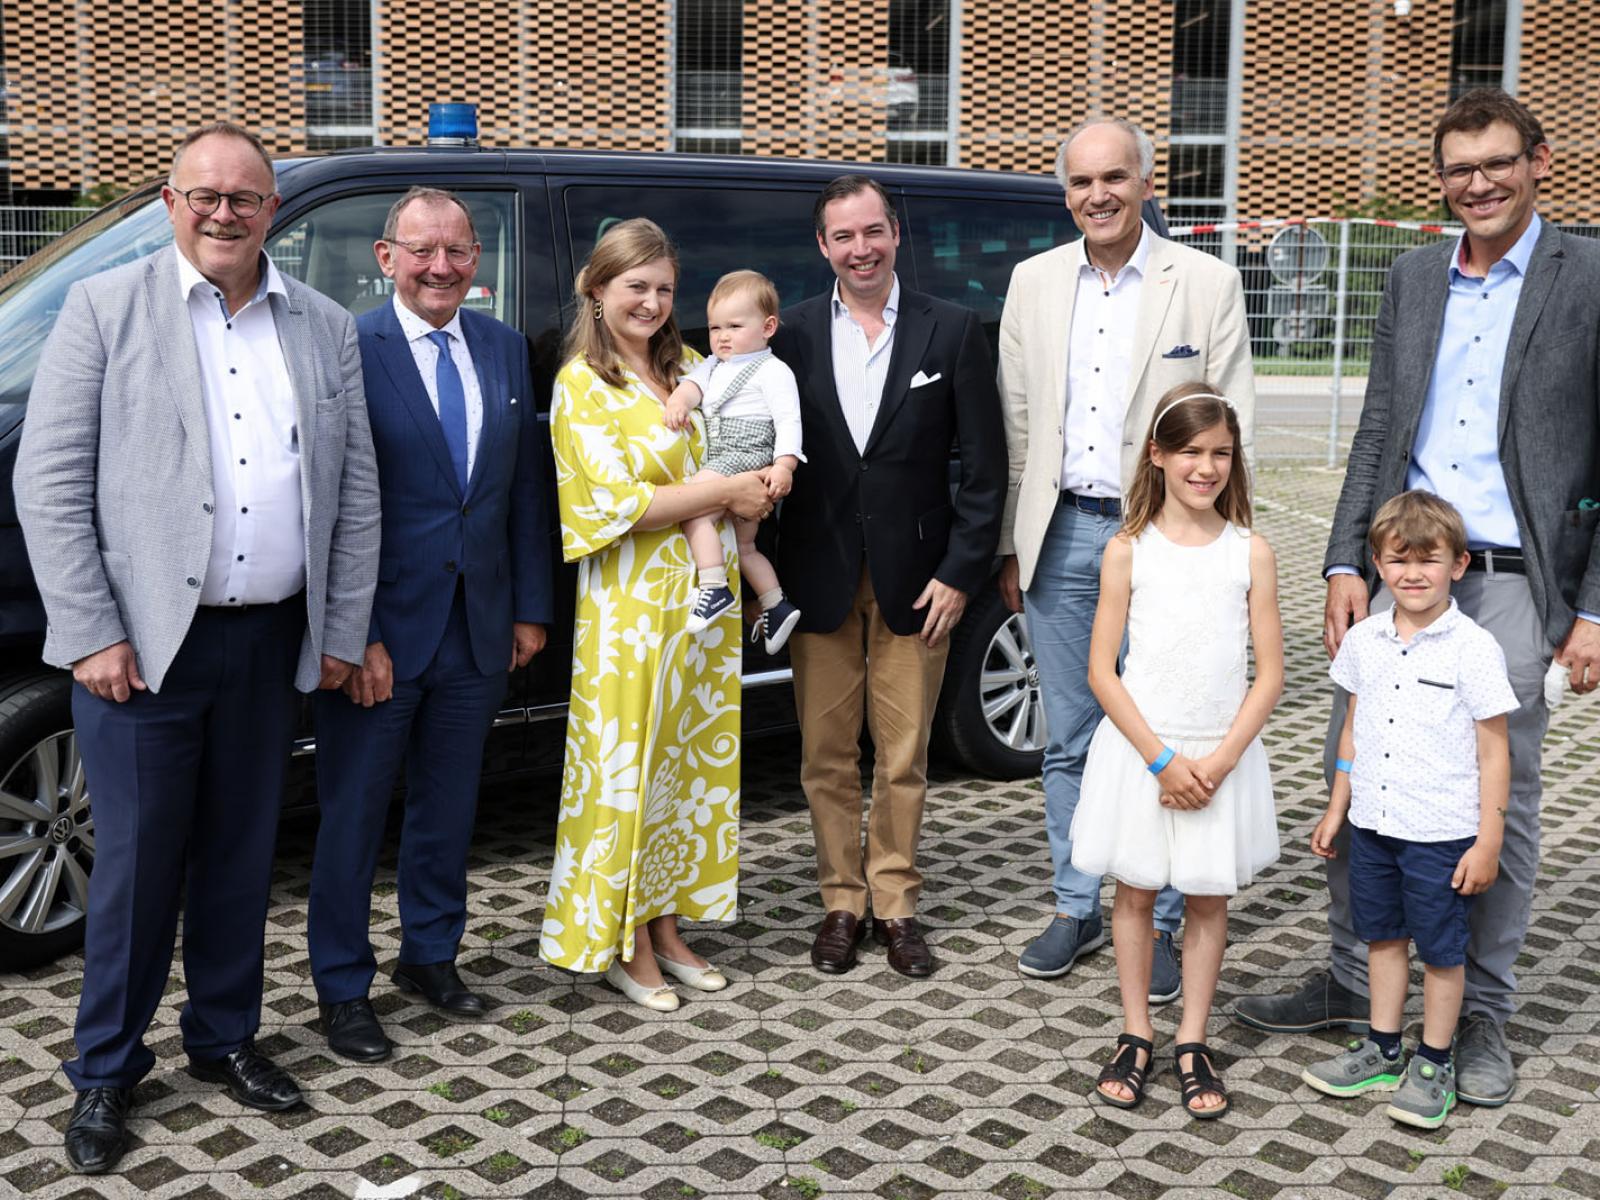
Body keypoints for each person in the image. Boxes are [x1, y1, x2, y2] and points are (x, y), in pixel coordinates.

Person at [13, 122, 380, 1174]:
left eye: (246, 198)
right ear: (172, 202)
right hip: (143, 654)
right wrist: (89, 633)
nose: (225, 213)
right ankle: (104, 1071)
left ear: (273, 210)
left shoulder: (320, 324)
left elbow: (353, 495)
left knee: (238, 858)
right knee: (132, 870)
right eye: (204, 195)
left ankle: (224, 1039)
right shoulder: (104, 308)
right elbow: (48, 483)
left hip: (269, 645)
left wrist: (340, 633)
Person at [1233, 89, 1600, 1108]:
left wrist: (1597, 610)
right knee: (1358, 768)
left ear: (1538, 161)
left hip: (1519, 584)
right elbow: (1379, 427)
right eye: (1458, 168)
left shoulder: (1589, 275)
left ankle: (1478, 1008)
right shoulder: (1410, 276)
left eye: (1496, 163)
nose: (1476, 183)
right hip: (1398, 573)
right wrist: (1344, 561)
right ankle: (1358, 981)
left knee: (1498, 796)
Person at [996, 117, 1256, 996]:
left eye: (1114, 178)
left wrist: (1217, 542)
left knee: (1177, 721)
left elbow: (1232, 421)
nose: (1096, 195)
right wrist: (1010, 543)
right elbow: (1017, 422)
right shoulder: (1032, 283)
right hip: (1063, 532)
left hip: (1168, 538)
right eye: (1079, 182)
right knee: (1069, 735)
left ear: (1148, 184)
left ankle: (1171, 913)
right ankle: (1077, 903)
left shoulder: (1207, 283)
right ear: (1064, 191)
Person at [306, 187, 555, 1061]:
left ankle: (431, 956)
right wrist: (355, 630)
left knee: (450, 808)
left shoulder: (505, 348)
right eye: (422, 251)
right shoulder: (347, 346)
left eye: (457, 251)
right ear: (387, 258)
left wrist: (529, 607)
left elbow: (525, 487)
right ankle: (342, 988)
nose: (440, 267)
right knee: (352, 816)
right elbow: (331, 502)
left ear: (476, 261)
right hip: (380, 636)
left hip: (478, 628)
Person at [770, 174, 1005, 979]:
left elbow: (985, 466)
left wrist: (961, 573)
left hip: (920, 581)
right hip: (818, 577)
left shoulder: (952, 329)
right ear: (823, 246)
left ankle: (896, 905)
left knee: (903, 756)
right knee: (825, 755)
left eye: (873, 232)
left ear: (895, 233)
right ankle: (841, 901)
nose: (860, 249)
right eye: (843, 236)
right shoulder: (791, 335)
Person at [541, 218, 770, 1011]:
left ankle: (668, 928)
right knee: (629, 775)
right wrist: (723, 492)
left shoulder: (698, 368)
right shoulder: (582, 384)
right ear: (598, 290)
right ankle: (622, 940)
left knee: (687, 774)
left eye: (665, 288)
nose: (652, 301)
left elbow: (746, 449)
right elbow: (615, 503)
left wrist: (763, 480)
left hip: (703, 610)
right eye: (636, 286)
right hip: (629, 612)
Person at [1070, 383, 1281, 1118]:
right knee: (1133, 891)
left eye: (1221, 453)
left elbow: (1272, 673)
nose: (1206, 467)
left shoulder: (1250, 553)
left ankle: (1193, 1038)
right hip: (1144, 752)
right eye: (1190, 451)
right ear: (1157, 455)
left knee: (1206, 895)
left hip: (1219, 757)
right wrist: (1162, 759)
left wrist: (1218, 763)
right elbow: (1102, 670)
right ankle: (1136, 1031)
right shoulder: (1127, 551)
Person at [1301, 491, 1515, 1130]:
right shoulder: (1364, 640)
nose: (1412, 573)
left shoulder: (1473, 648)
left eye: (1429, 559)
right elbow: (1352, 734)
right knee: (1384, 939)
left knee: (1443, 952)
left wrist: (1488, 843)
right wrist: (1337, 811)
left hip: (1442, 834)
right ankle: (1384, 1047)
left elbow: (1496, 754)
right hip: (1373, 828)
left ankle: (1435, 1061)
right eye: (1398, 560)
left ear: (1459, 564)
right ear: (1377, 564)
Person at [663, 269, 805, 652]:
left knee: (692, 509)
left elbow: (789, 420)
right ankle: (775, 605)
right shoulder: (714, 365)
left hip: (744, 454)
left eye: (734, 326)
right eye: (714, 328)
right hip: (727, 455)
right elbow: (692, 386)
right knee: (745, 549)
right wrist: (679, 401)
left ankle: (713, 587)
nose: (722, 336)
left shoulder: (774, 371)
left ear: (768, 326)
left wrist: (785, 465)